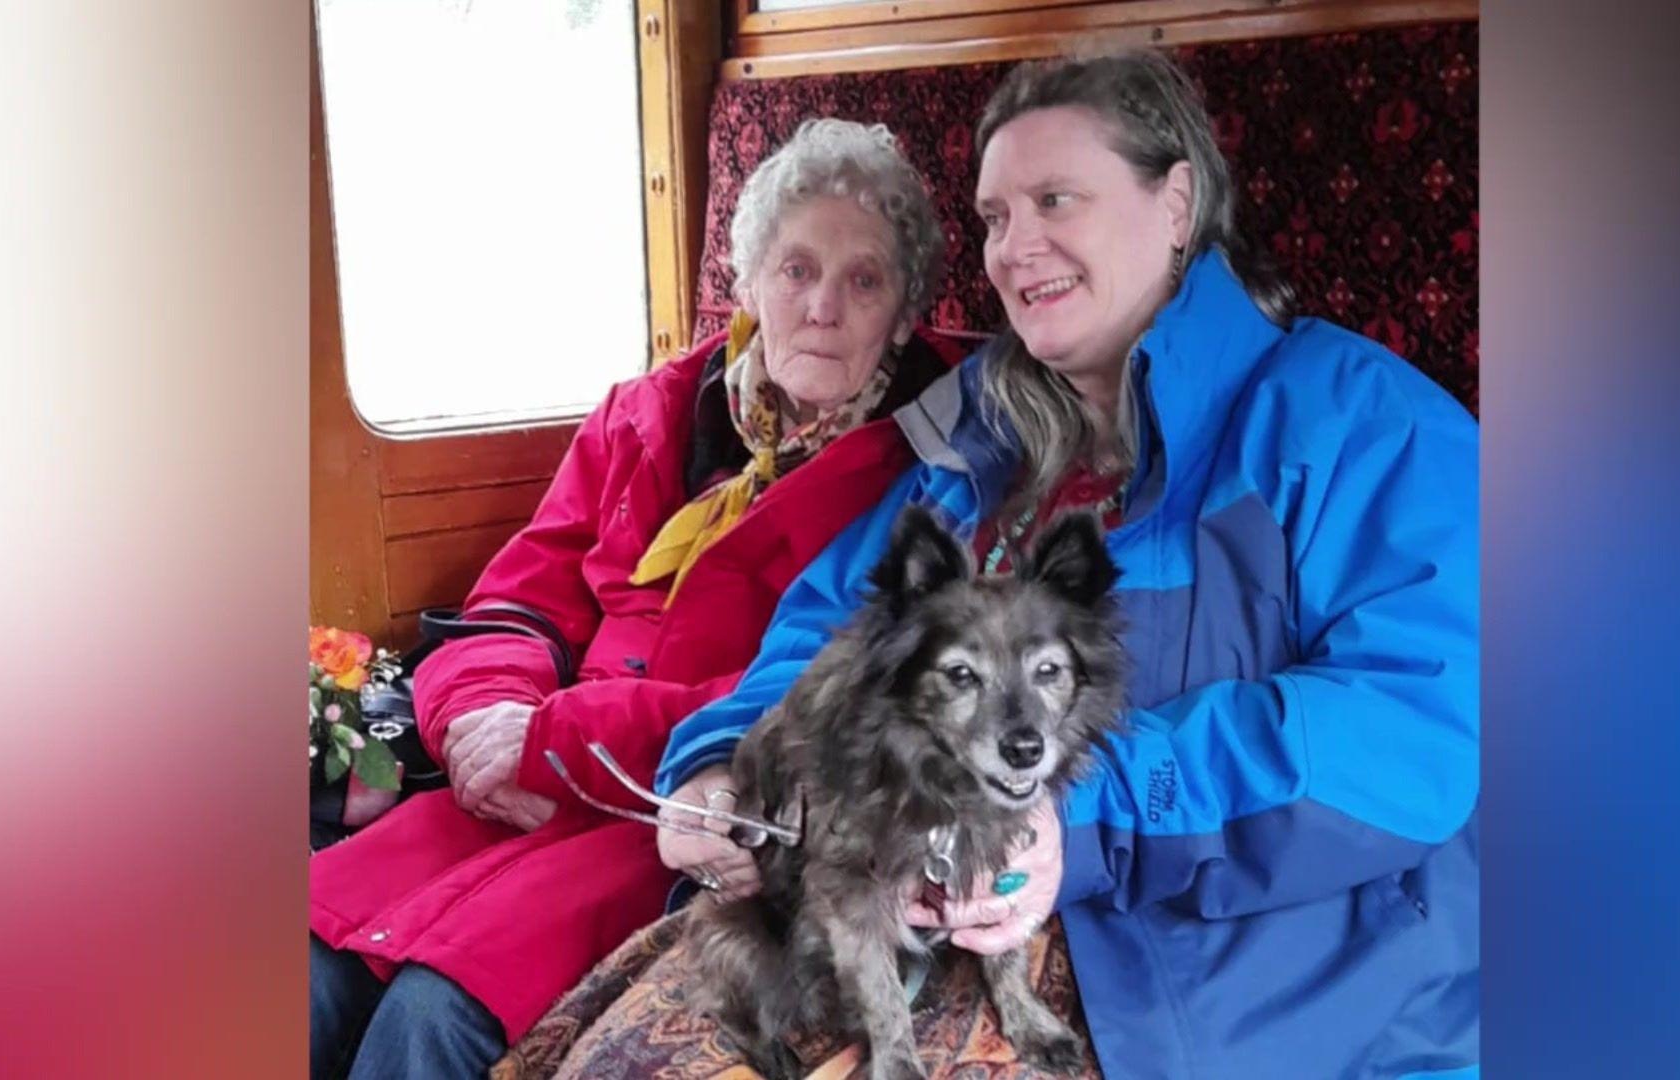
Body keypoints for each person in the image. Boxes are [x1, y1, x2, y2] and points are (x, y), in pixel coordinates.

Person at [509, 50, 1477, 1080]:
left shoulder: (1363, 423)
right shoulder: (978, 439)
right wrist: (728, 759)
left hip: (1258, 965)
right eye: (995, 217)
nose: (1016, 249)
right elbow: (836, 622)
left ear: (1178, 200)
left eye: (1056, 199)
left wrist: (1081, 809)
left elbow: (1417, 730)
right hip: (927, 896)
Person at [308, 118, 959, 1080]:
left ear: (904, 315)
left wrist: (558, 733)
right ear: (749, 283)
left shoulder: (924, 472)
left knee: (431, 1020)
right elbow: (519, 600)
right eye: (796, 270)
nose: (822, 305)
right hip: (521, 788)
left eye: (863, 281)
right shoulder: (648, 414)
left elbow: (811, 699)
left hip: (673, 812)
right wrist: (482, 713)